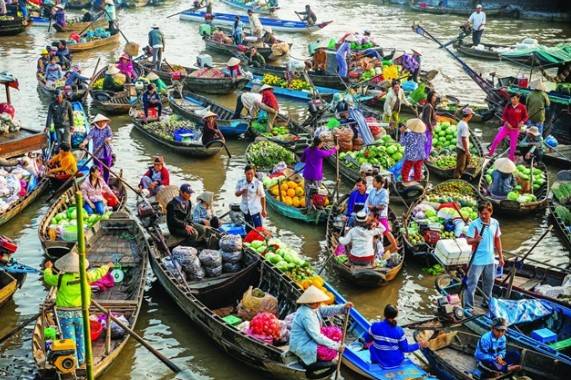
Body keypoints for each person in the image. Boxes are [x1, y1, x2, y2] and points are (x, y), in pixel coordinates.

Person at [43, 252, 113, 368]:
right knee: (82, 336)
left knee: (69, 339)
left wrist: (48, 269)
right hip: (81, 313)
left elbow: (48, 278)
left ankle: (73, 362)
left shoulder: (60, 278)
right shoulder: (86, 276)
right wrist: (107, 266)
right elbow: (99, 272)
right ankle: (81, 360)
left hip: (65, 315)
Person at [289, 285, 351, 366]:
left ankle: (331, 346)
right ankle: (309, 360)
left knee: (337, 332)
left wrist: (343, 307)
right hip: (302, 344)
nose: (319, 303)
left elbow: (326, 310)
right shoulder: (306, 315)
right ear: (312, 302)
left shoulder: (313, 308)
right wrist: (336, 346)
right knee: (330, 353)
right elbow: (317, 336)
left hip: (310, 336)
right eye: (318, 302)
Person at [464, 201, 504, 310]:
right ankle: (468, 306)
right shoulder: (474, 224)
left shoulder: (495, 223)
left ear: (491, 213)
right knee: (472, 284)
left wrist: (500, 256)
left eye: (486, 213)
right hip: (477, 259)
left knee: (489, 283)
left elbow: (497, 239)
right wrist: (475, 239)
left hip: (490, 259)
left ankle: (486, 303)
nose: (483, 216)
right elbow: (468, 241)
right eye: (481, 213)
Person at [301, 137, 338, 210]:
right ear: (319, 144)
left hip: (307, 174)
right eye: (322, 143)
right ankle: (316, 207)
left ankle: (307, 207)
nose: (322, 144)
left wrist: (309, 161)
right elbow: (329, 153)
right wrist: (335, 149)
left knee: (307, 191)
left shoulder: (307, 150)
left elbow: (302, 160)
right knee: (317, 192)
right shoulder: (319, 152)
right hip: (316, 176)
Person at [488, 94, 528, 161]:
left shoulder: (522, 107)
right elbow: (504, 116)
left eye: (514, 98)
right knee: (496, 140)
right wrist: (507, 123)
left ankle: (511, 158)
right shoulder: (509, 106)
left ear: (518, 99)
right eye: (512, 99)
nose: (513, 100)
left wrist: (522, 122)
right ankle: (490, 153)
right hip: (506, 128)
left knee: (513, 144)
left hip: (515, 129)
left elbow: (525, 117)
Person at [364, 174, 399, 249]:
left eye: (374, 181)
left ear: (379, 183)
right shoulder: (373, 191)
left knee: (386, 231)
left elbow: (383, 206)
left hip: (381, 215)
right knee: (371, 229)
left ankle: (395, 246)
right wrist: (370, 209)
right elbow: (369, 201)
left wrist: (373, 207)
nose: (372, 183)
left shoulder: (384, 192)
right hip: (372, 214)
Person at [80, 114, 113, 183]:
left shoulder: (107, 128)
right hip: (97, 153)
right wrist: (83, 143)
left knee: (107, 170)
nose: (101, 123)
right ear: (96, 122)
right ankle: (100, 184)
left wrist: (108, 139)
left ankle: (106, 183)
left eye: (103, 121)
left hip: (107, 152)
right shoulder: (93, 130)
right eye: (99, 122)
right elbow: (87, 138)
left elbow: (110, 137)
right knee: (98, 171)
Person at [235, 165, 267, 230]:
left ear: (254, 173)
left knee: (259, 228)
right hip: (245, 209)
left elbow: (263, 197)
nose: (249, 176)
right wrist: (242, 191)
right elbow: (236, 194)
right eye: (248, 174)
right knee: (249, 228)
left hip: (255, 210)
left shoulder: (258, 183)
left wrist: (264, 210)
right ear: (245, 173)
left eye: (251, 174)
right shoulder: (240, 182)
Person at [400, 119, 427, 184]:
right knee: (418, 170)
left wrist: (402, 133)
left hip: (411, 156)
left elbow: (402, 143)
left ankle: (405, 182)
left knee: (405, 170)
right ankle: (417, 181)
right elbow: (425, 141)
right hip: (420, 155)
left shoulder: (410, 134)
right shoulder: (423, 135)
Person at [454, 107, 474, 179]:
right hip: (462, 148)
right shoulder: (464, 126)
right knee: (460, 166)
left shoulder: (461, 122)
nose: (471, 116)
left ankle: (462, 174)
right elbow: (464, 139)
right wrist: (467, 150)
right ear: (469, 115)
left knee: (465, 163)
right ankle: (457, 178)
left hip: (461, 147)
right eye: (471, 115)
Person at [420, 90, 437, 158]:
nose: (435, 97)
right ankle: (425, 157)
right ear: (431, 97)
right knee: (428, 143)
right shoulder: (429, 106)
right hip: (427, 128)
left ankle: (424, 156)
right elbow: (428, 120)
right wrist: (431, 129)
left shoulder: (427, 105)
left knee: (425, 142)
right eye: (434, 96)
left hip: (425, 127)